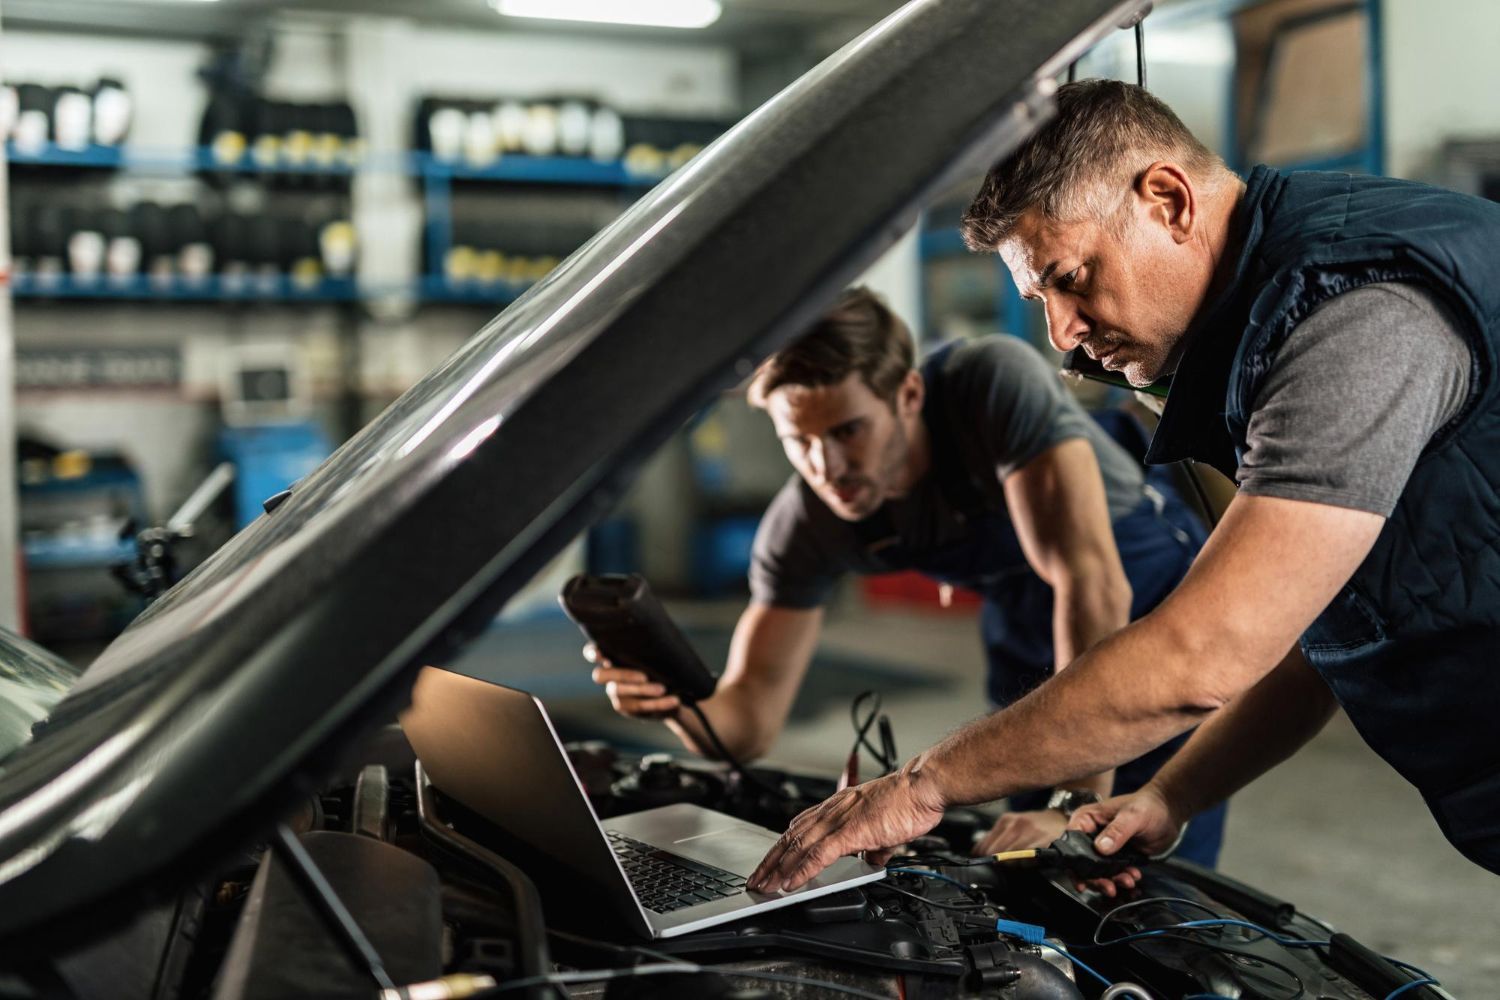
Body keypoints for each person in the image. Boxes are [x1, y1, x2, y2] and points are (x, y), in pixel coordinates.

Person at [747, 78, 1500, 896]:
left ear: (1167, 201)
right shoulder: (1267, 324)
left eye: (1071, 278)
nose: (1061, 334)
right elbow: (1317, 634)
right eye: (1040, 298)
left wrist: (921, 787)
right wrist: (1171, 794)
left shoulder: (1352, 320)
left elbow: (1205, 654)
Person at [590, 285, 1224, 863]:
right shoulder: (806, 523)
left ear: (909, 396)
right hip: (1027, 636)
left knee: (1139, 865)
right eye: (799, 439)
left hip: (1143, 608)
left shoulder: (991, 386)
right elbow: (747, 724)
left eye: (848, 430)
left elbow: (1090, 581)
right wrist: (677, 700)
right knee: (1026, 868)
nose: (827, 465)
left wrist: (1068, 810)